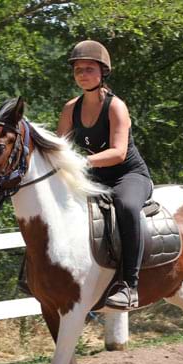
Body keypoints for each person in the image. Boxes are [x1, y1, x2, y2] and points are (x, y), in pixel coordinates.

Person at [57, 40, 153, 310]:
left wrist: (79, 161)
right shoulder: (69, 109)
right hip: (95, 178)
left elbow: (118, 153)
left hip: (128, 176)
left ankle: (129, 286)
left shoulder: (115, 107)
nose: (82, 74)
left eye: (88, 69)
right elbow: (60, 148)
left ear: (102, 73)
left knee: (125, 205)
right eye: (78, 70)